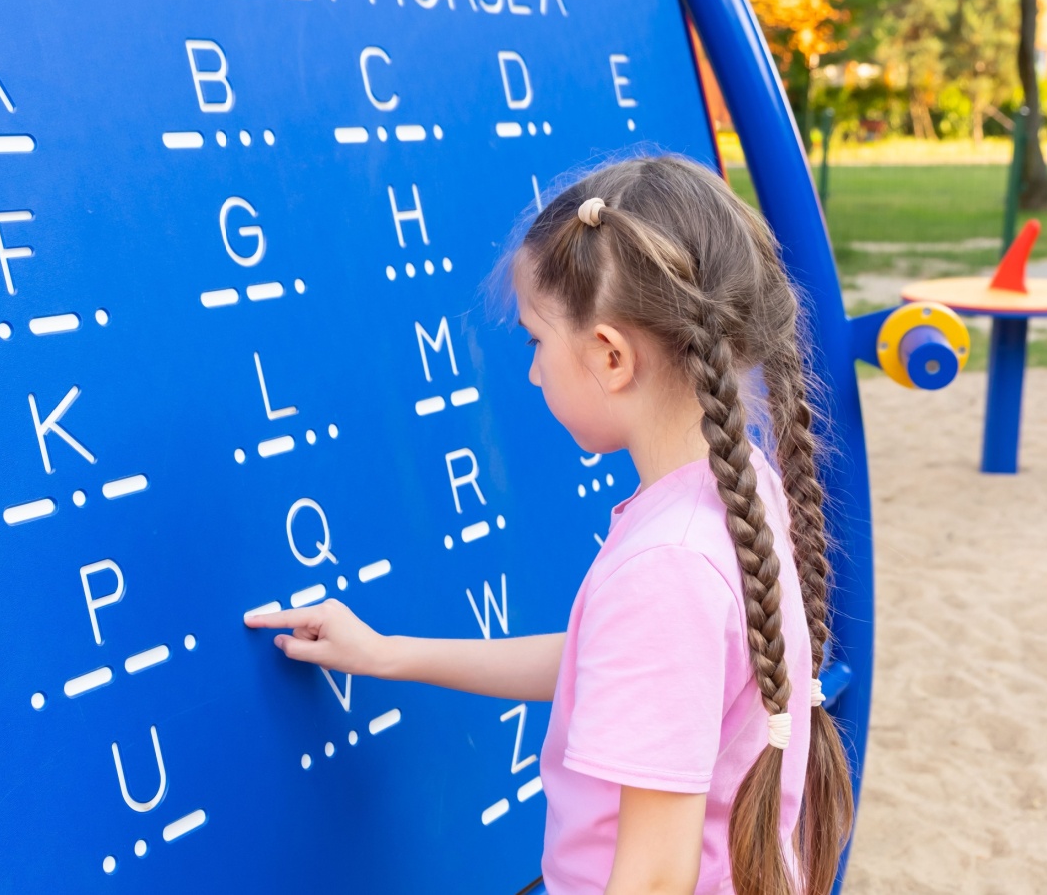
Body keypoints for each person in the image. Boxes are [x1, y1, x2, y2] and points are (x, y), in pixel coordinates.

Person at [246, 155, 853, 895]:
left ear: (610, 355)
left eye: (536, 341)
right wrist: (390, 654)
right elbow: (611, 664)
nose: (532, 372)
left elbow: (656, 878)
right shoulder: (735, 489)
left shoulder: (668, 566)